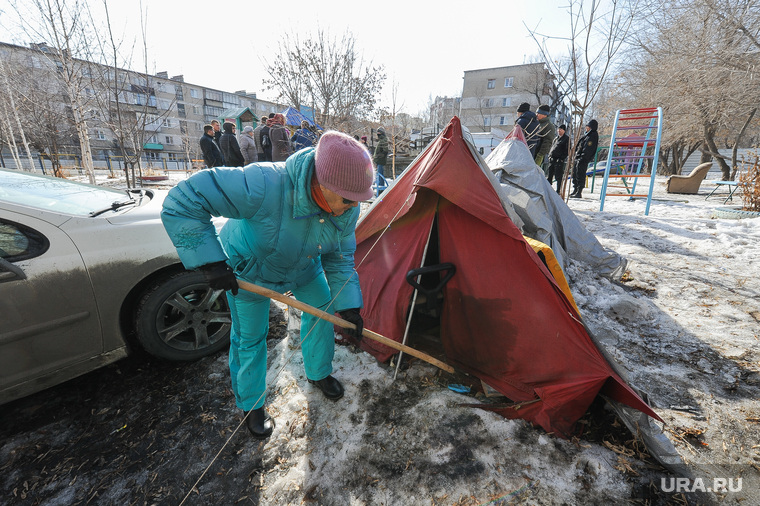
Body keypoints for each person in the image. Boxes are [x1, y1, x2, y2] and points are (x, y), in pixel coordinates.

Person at [160, 131, 374, 439]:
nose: (352, 208)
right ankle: (252, 404)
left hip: (303, 268)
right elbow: (185, 199)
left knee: (322, 310)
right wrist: (210, 261)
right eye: (347, 200)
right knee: (250, 337)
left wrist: (350, 305)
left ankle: (319, 373)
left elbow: (339, 257)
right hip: (249, 272)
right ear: (324, 183)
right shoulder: (264, 184)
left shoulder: (347, 208)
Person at [570, 119, 599, 199]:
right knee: (575, 174)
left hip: (583, 159)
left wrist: (582, 157)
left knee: (580, 175)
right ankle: (575, 189)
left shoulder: (592, 136)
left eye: (588, 127)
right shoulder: (586, 136)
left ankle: (579, 191)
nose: (587, 128)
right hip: (578, 158)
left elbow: (588, 149)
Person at [547, 124, 570, 193]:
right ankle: (548, 189)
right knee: (550, 175)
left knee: (558, 176)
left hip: (559, 160)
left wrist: (562, 158)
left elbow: (567, 150)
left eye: (560, 129)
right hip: (552, 159)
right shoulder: (556, 138)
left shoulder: (566, 139)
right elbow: (553, 147)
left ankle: (558, 190)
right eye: (558, 129)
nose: (559, 131)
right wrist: (550, 155)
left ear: (564, 130)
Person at [373, 127, 389, 191]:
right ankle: (379, 188)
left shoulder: (384, 140)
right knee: (378, 176)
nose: (377, 134)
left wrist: (378, 156)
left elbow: (385, 151)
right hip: (378, 160)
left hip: (380, 161)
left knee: (380, 176)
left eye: (379, 132)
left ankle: (381, 189)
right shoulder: (381, 140)